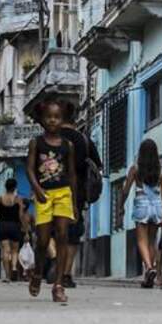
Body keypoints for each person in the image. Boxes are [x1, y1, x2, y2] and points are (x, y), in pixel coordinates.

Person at [26, 100, 78, 303]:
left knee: (63, 236)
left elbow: (72, 174)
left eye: (57, 117)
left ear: (63, 120)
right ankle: (38, 272)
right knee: (43, 241)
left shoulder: (68, 146)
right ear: (42, 119)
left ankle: (58, 285)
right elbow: (30, 169)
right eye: (49, 117)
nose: (53, 121)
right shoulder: (36, 143)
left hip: (63, 193)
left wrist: (74, 201)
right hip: (44, 195)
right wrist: (37, 189)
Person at [59, 103, 102, 288]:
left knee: (54, 231)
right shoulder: (84, 140)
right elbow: (97, 166)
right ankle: (67, 272)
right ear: (75, 117)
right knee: (74, 234)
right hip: (77, 194)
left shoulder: (52, 139)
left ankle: (56, 267)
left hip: (53, 191)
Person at [118, 139, 162, 288]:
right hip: (157, 207)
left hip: (142, 205)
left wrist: (121, 206)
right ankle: (149, 273)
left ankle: (148, 268)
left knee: (142, 240)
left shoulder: (135, 168)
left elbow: (126, 189)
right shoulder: (160, 168)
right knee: (152, 240)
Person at [0, 178, 25, 282]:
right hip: (15, 225)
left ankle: (8, 276)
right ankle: (14, 267)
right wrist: (26, 230)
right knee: (14, 251)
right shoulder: (18, 199)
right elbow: (21, 216)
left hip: (3, 225)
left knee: (5, 250)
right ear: (15, 188)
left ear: (5, 187)